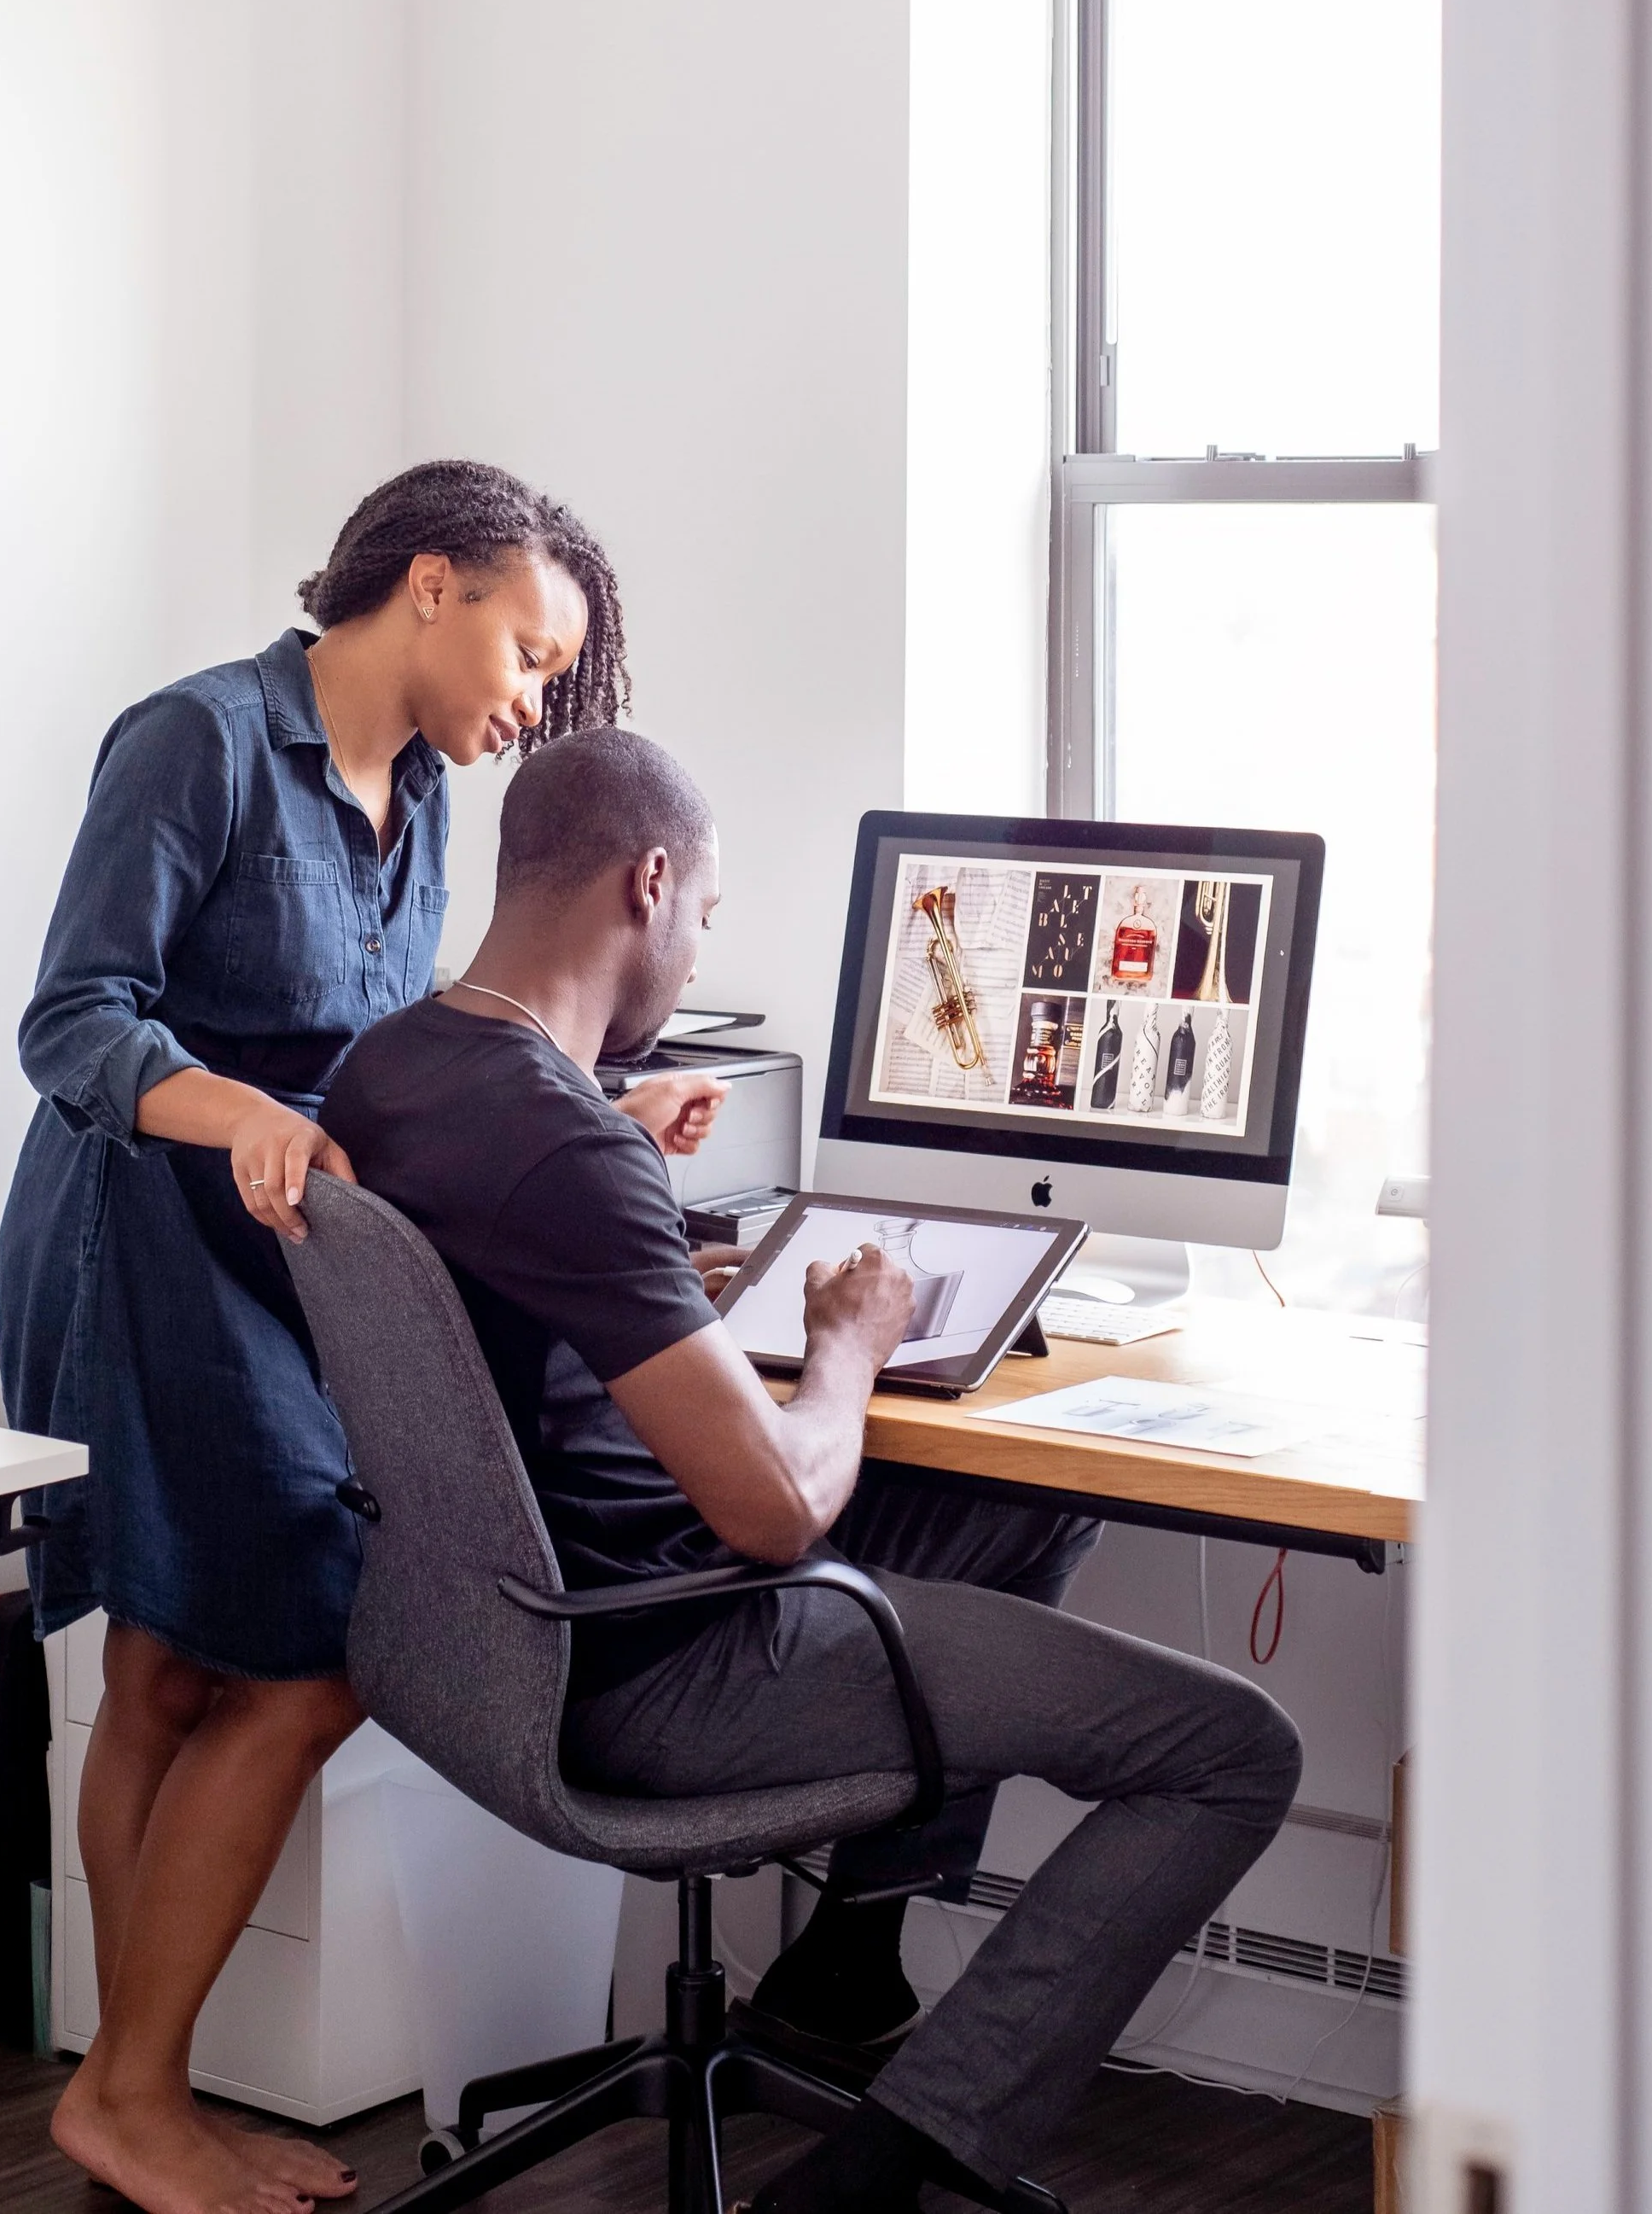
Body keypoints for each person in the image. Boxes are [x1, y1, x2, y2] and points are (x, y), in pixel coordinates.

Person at [323, 730, 1304, 2214]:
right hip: (671, 1667)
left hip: (493, 1641)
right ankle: (870, 2180)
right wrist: (846, 1341)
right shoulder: (565, 1147)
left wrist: (640, 1209)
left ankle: (847, 1968)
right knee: (1231, 1750)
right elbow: (776, 1510)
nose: (695, 948)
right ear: (651, 882)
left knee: (1019, 1495)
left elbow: (520, 1270)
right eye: (706, 915)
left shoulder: (394, 1070)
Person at [0, 463, 724, 2214]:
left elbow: (389, 1069)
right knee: (254, 1660)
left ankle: (127, 2085)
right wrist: (235, 1104)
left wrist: (600, 1112)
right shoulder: (199, 740)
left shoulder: (428, 799)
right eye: (531, 653)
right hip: (138, 1238)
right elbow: (72, 1020)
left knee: (200, 1668)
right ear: (430, 584)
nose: (537, 701)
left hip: (286, 1251)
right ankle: (135, 2094)